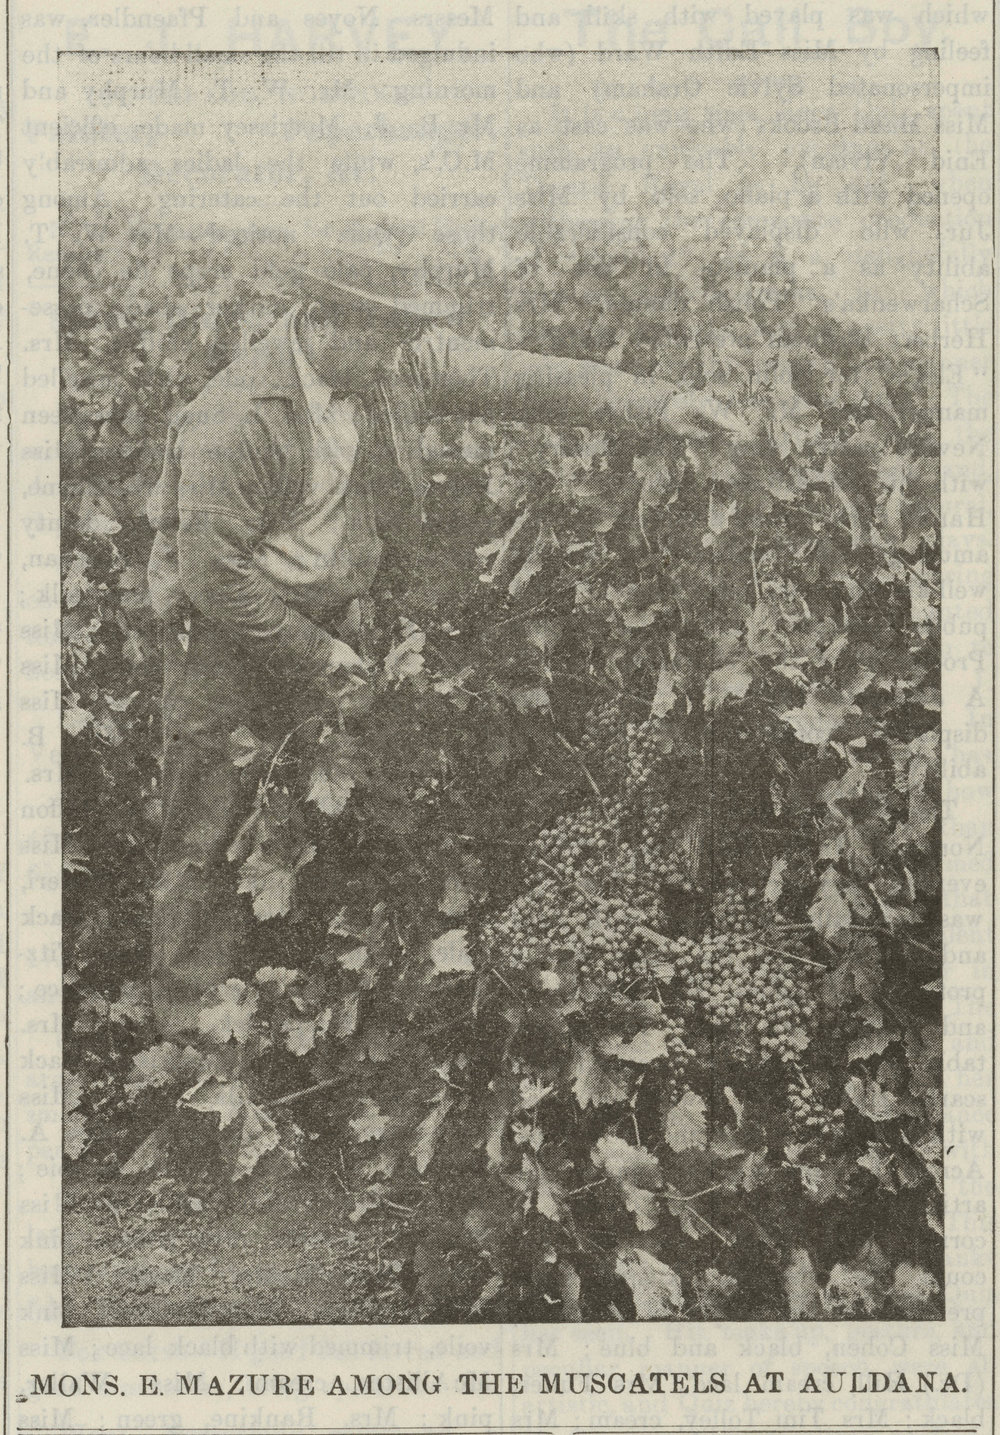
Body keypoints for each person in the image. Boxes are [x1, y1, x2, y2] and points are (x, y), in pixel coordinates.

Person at [146, 214, 746, 1041]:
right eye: (383, 337)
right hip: (224, 632)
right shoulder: (238, 416)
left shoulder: (391, 360)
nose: (399, 357)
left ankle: (300, 1012)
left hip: (327, 619)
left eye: (405, 337)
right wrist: (316, 653)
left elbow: (519, 380)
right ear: (322, 321)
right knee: (205, 829)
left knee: (325, 811)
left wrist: (659, 403)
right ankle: (192, 1040)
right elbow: (213, 575)